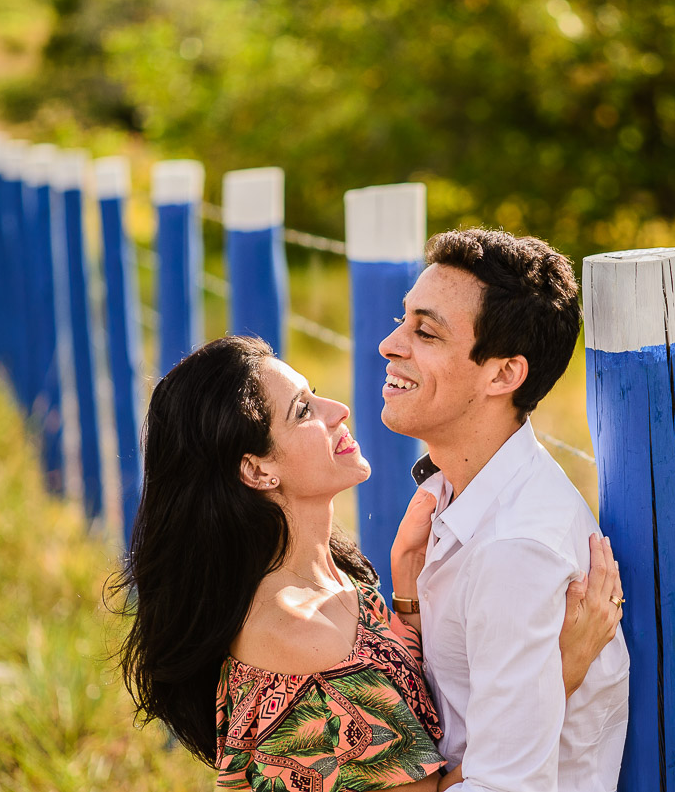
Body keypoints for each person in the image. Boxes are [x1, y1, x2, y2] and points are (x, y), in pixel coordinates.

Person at [111, 335, 624, 791]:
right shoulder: (294, 633)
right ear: (258, 469)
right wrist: (556, 674)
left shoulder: (332, 574)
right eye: (302, 411)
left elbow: (400, 695)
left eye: (313, 393)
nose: (336, 409)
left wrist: (406, 588)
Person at [379, 229, 630, 792]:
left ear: (502, 374)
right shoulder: (461, 491)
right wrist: (409, 598)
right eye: (403, 321)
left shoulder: (516, 549)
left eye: (425, 331)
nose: (391, 344)